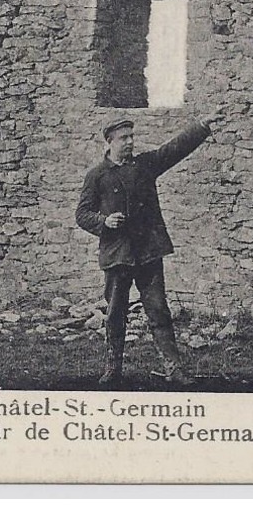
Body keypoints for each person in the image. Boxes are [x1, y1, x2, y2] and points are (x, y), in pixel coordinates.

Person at [76, 114, 220, 388]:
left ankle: (173, 368)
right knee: (116, 313)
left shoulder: (145, 166)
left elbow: (174, 149)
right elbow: (82, 214)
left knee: (158, 311)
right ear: (109, 142)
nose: (130, 142)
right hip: (117, 255)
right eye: (123, 138)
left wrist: (202, 126)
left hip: (148, 253)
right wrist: (103, 222)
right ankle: (113, 368)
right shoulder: (97, 176)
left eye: (132, 136)